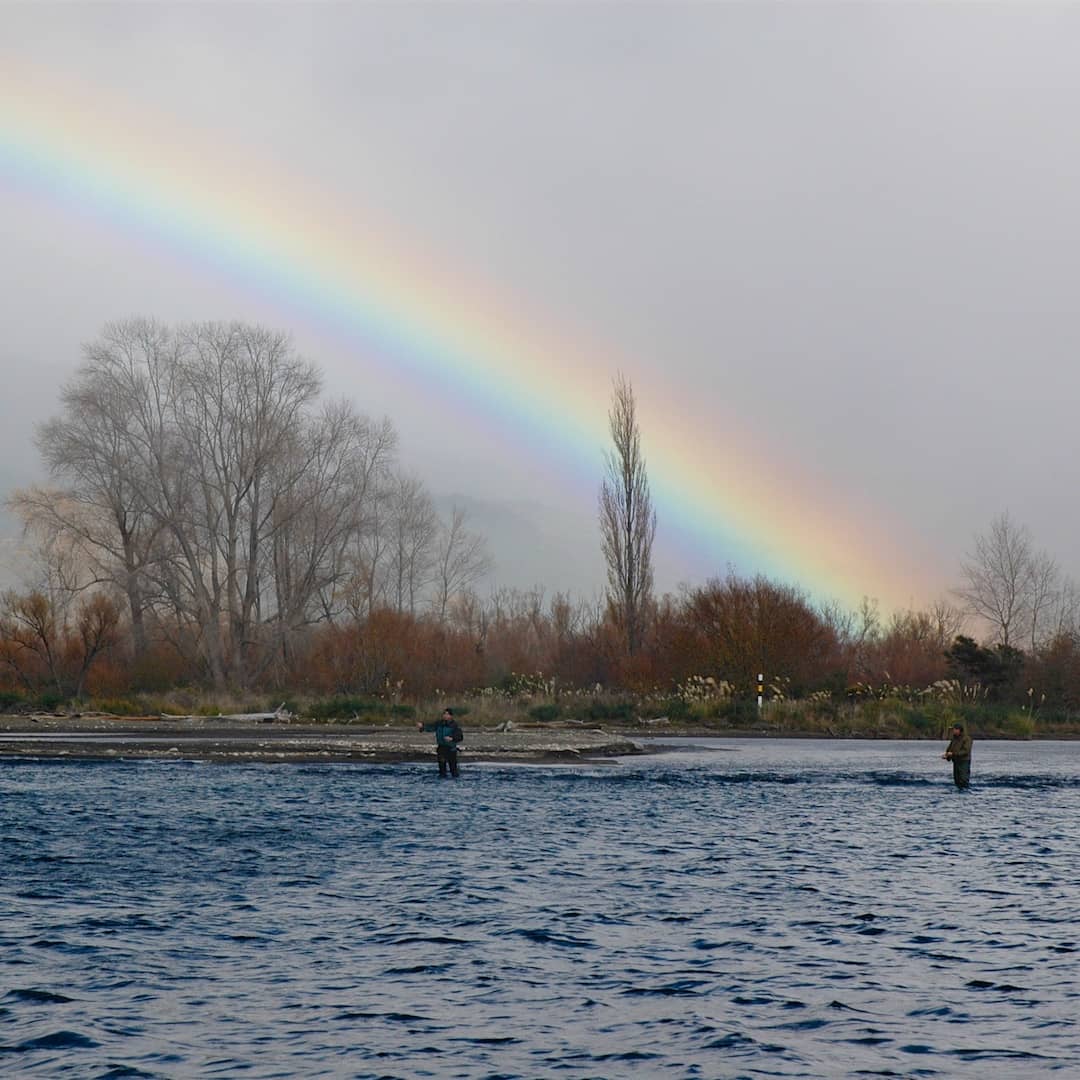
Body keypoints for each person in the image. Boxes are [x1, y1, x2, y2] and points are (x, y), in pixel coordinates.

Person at [417, 707, 463, 778]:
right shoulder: (439, 723)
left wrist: (452, 738)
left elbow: (460, 737)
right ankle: (442, 782)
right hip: (441, 748)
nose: (445, 715)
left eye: (447, 714)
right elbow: (430, 727)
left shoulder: (454, 725)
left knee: (453, 771)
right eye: (444, 714)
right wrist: (422, 727)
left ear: (451, 716)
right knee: (442, 770)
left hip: (451, 749)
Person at [942, 722, 973, 790]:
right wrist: (947, 755)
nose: (953, 731)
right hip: (956, 762)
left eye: (954, 729)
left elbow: (965, 751)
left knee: (963, 780)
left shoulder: (967, 739)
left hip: (964, 762)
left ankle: (965, 793)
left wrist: (953, 754)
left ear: (959, 730)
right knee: (957, 781)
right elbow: (950, 748)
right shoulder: (954, 739)